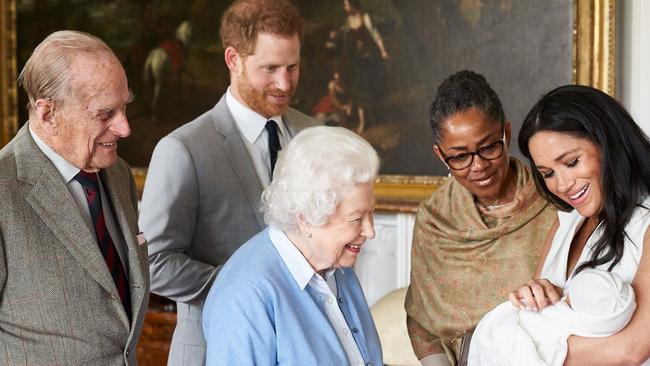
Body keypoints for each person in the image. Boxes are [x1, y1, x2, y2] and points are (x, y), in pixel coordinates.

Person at [138, 0, 320, 364]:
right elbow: (153, 264)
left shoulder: (315, 134)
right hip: (212, 350)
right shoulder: (182, 150)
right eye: (269, 69)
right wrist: (251, 287)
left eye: (293, 67)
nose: (284, 84)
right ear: (232, 59)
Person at [0, 30, 148, 365]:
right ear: (47, 113)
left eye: (124, 107)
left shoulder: (118, 173)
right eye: (105, 114)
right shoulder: (3, 190)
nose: (124, 128)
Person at [404, 70, 557, 366]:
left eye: (488, 147)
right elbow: (422, 321)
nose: (478, 166)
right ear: (440, 156)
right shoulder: (434, 219)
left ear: (506, 133)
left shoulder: (553, 201)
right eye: (460, 156)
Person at [202, 126, 383, 365]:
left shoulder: (337, 263)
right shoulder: (246, 294)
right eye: (356, 219)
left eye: (371, 213)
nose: (370, 231)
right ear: (306, 218)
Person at [511, 84, 650, 365]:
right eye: (548, 173)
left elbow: (631, 350)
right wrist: (530, 298)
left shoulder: (645, 222)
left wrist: (521, 341)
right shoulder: (565, 223)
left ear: (608, 143)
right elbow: (540, 316)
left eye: (572, 162)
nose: (562, 185)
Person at [470, 269, 636, 365]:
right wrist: (534, 295)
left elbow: (630, 352)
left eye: (569, 300)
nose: (564, 300)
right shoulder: (564, 222)